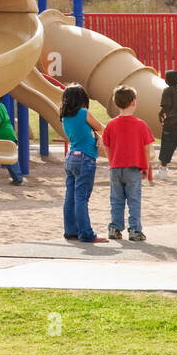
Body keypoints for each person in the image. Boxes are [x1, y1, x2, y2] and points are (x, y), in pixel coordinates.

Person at [102, 85, 155, 241]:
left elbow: (106, 146)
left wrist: (111, 160)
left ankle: (114, 227)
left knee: (116, 199)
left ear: (116, 104)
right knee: (134, 199)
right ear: (133, 102)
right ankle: (135, 230)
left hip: (116, 167)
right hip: (133, 167)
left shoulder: (111, 124)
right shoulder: (140, 125)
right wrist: (146, 167)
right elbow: (146, 148)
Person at [61, 83, 107, 243]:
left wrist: (94, 135)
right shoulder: (83, 113)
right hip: (85, 158)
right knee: (81, 198)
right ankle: (86, 234)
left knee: (70, 197)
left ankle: (70, 231)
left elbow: (85, 131)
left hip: (71, 156)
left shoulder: (65, 117)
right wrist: (98, 135)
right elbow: (100, 126)